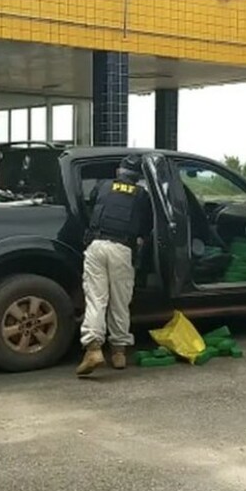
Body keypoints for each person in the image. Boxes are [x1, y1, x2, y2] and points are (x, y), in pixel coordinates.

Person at [76, 154, 154, 376]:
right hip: (122, 249)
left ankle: (93, 349)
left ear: (119, 172)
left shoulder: (103, 186)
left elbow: (91, 207)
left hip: (97, 245)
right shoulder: (141, 195)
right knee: (120, 301)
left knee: (96, 299)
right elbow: (146, 227)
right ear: (137, 177)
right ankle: (118, 352)